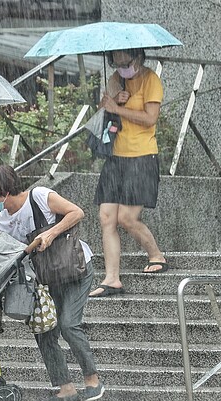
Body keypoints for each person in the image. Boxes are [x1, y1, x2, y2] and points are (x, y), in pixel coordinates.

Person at [0, 165, 104, 401]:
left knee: (69, 324)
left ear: (4, 191)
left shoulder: (38, 196)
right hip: (48, 278)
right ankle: (66, 388)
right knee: (44, 331)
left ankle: (93, 381)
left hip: (76, 269)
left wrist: (50, 233)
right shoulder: (1, 224)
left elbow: (76, 212)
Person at [90, 48, 168, 298]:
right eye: (117, 61)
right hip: (115, 158)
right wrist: (112, 102)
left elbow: (150, 118)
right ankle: (112, 278)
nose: (122, 66)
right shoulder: (115, 79)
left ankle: (156, 254)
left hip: (142, 157)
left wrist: (119, 108)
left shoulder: (150, 79)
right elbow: (104, 108)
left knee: (126, 218)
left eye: (127, 61)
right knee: (106, 217)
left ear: (139, 58)